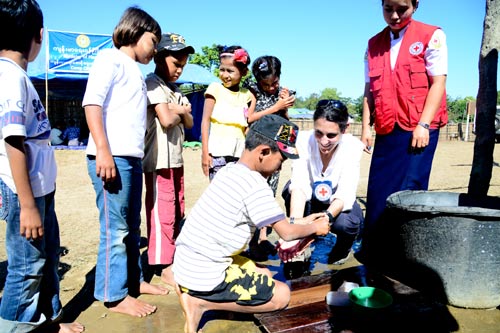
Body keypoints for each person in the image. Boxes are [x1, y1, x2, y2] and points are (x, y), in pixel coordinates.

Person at [172, 114, 330, 333]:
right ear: (263, 152)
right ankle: (200, 302)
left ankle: (193, 290)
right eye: (281, 160)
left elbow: (279, 221)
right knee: (281, 295)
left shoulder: (230, 171)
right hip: (205, 274)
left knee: (265, 273)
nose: (279, 168)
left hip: (187, 264)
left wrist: (303, 221)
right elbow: (286, 233)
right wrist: (315, 228)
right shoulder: (256, 186)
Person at [0, 1, 84, 332]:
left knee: (47, 256)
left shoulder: (17, 75)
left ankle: (49, 321)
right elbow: (12, 141)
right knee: (26, 266)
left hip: (39, 190)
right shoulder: (9, 78)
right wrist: (27, 205)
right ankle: (14, 327)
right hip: (27, 193)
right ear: (39, 35)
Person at [82, 6, 167, 318]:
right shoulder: (110, 59)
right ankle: (113, 295)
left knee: (132, 226)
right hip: (111, 157)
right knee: (115, 229)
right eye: (152, 40)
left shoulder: (136, 70)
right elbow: (92, 103)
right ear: (135, 31)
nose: (155, 48)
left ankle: (133, 281)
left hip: (130, 159)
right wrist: (103, 150)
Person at [358, 0, 448, 263]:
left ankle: (406, 255)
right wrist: (366, 127)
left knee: (411, 190)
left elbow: (438, 82)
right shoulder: (373, 44)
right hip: (387, 126)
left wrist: (424, 124)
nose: (394, 15)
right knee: (378, 191)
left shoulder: (432, 35)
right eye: (388, 9)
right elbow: (368, 91)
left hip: (419, 128)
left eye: (402, 9)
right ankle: (374, 251)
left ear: (415, 5)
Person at [279, 100, 365, 278]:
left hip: (335, 205)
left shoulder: (353, 147)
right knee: (289, 190)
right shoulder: (303, 140)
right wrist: (296, 226)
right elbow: (300, 184)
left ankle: (342, 249)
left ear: (344, 129)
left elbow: (345, 194)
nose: (324, 141)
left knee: (346, 222)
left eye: (331, 135)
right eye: (319, 133)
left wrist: (326, 218)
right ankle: (304, 245)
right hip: (311, 201)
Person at [143, 32, 194, 283]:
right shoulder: (152, 83)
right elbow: (165, 119)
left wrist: (179, 110)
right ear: (159, 58)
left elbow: (189, 120)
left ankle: (172, 255)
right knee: (161, 212)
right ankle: (163, 265)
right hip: (159, 160)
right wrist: (178, 111)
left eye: (182, 66)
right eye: (176, 64)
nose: (179, 71)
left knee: (177, 208)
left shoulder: (174, 90)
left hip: (176, 160)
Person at [244, 55, 296, 261]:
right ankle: (251, 241)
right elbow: (249, 118)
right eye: (266, 84)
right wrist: (275, 106)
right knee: (252, 195)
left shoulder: (283, 94)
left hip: (274, 154)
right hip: (255, 152)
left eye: (274, 82)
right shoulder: (252, 91)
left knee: (268, 194)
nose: (271, 88)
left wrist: (284, 108)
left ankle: (262, 238)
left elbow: (286, 127)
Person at [200, 45, 255, 181]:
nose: (225, 75)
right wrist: (205, 153)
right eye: (222, 70)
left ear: (244, 72)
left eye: (230, 71)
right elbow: (205, 121)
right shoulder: (215, 89)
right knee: (219, 196)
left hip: (239, 155)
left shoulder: (247, 95)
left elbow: (247, 125)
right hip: (217, 154)